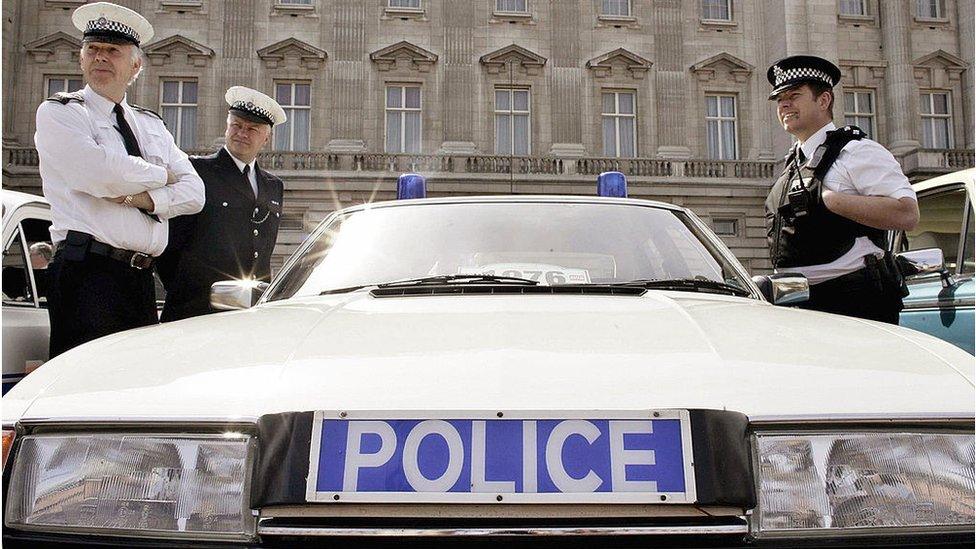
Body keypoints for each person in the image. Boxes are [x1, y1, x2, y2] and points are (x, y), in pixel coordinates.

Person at [35, 2, 205, 357]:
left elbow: (195, 193)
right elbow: (97, 174)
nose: (100, 58)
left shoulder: (152, 125)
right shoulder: (61, 112)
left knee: (131, 391)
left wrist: (141, 198)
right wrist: (162, 175)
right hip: (87, 274)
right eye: (92, 50)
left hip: (140, 277)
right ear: (81, 59)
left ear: (136, 65)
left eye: (113, 51)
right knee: (83, 390)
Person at [764, 55, 919, 324]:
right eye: (779, 99)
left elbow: (907, 213)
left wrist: (832, 201)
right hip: (797, 304)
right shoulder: (794, 163)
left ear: (823, 100)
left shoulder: (855, 151)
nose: (784, 104)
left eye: (794, 95)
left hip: (853, 303)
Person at [156, 86, 286, 321]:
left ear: (266, 138)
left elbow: (264, 252)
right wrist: (185, 289)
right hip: (195, 309)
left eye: (252, 129)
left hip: (249, 313)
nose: (242, 134)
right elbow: (169, 242)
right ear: (226, 128)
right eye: (236, 126)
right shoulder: (196, 171)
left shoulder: (273, 185)